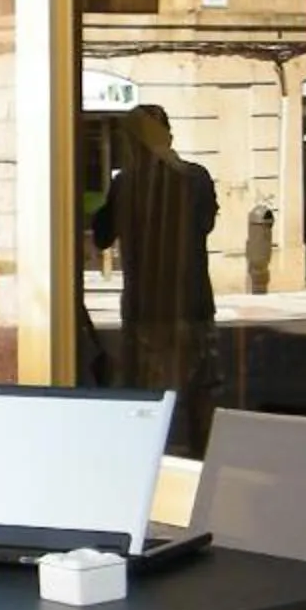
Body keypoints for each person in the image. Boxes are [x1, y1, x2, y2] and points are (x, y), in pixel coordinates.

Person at [91, 103, 220, 454]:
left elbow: (101, 236)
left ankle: (149, 466)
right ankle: (200, 463)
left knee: (145, 401)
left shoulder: (125, 185)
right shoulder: (196, 178)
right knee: (199, 397)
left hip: (144, 310)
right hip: (190, 305)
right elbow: (206, 224)